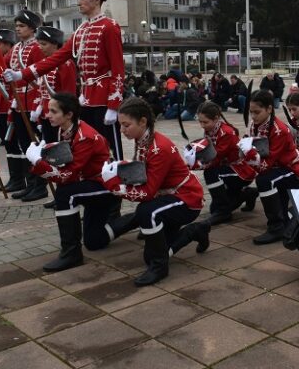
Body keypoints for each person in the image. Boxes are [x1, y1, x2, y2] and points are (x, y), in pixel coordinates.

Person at [3, 0, 125, 161]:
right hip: (87, 97)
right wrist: (22, 74)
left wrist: (114, 104)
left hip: (103, 97)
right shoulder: (81, 30)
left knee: (111, 147)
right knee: (90, 145)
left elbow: (118, 68)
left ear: (97, 0)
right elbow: (56, 58)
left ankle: (117, 183)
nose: (79, 2)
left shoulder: (109, 26)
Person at [101, 97, 209, 286]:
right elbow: (144, 174)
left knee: (146, 212)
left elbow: (148, 192)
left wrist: (115, 186)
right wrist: (119, 169)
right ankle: (195, 231)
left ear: (143, 121)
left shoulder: (159, 148)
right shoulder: (143, 138)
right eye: (121, 125)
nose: (121, 130)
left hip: (186, 199)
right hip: (168, 197)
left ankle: (160, 267)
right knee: (149, 253)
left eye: (126, 125)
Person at [24, 93, 120, 272]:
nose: (48, 115)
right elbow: (66, 164)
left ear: (69, 115)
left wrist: (38, 162)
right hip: (90, 184)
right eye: (48, 110)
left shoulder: (85, 136)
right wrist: (44, 154)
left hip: (105, 186)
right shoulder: (65, 129)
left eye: (53, 111)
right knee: (94, 242)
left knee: (65, 193)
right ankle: (135, 219)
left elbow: (66, 175)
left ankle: (71, 253)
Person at [246, 90, 299, 244]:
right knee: (267, 179)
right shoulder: (257, 124)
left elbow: (267, 164)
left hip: (294, 169)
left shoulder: (279, 130)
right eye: (251, 112)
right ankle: (284, 219)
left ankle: (277, 227)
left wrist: (249, 158)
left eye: (257, 112)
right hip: (279, 168)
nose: (253, 116)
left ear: (269, 109)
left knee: (265, 180)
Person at [183, 101, 259, 225]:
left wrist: (194, 165)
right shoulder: (211, 129)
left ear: (216, 118)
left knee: (211, 173)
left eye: (205, 122)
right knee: (214, 208)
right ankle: (248, 194)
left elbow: (215, 158)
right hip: (226, 170)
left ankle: (224, 212)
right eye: (200, 121)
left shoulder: (226, 133)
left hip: (240, 171)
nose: (202, 125)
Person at [3, 9, 48, 201]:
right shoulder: (16, 49)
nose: (18, 29)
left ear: (32, 28)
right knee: (24, 145)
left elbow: (43, 75)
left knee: (35, 145)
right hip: (19, 101)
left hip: (33, 101)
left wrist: (39, 104)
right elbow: (2, 65)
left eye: (22, 26)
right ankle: (30, 184)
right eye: (17, 26)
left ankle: (40, 185)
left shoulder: (37, 47)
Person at [33, 26, 76, 144]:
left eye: (44, 44)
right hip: (46, 115)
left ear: (55, 44)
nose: (40, 47)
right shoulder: (44, 63)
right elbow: (42, 92)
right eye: (39, 44)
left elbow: (69, 95)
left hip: (60, 116)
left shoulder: (66, 64)